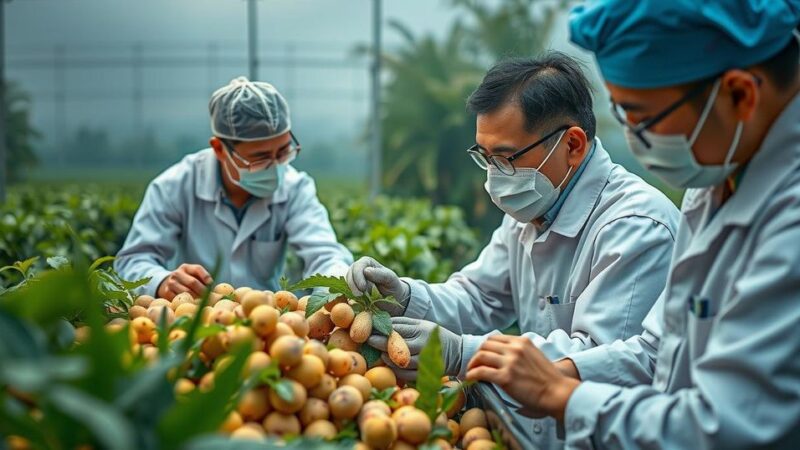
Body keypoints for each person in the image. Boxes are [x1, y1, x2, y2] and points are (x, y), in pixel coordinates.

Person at [466, 1, 800, 448]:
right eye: (623, 116)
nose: (634, 140)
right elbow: (656, 349)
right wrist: (554, 375)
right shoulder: (715, 181)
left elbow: (726, 425)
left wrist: (559, 393)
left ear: (740, 94)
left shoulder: (786, 224)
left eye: (645, 119)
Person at [346, 52, 680, 448]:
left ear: (572, 144)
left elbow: (598, 361)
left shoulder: (636, 227)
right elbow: (479, 296)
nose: (493, 178)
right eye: (484, 158)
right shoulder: (534, 206)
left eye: (505, 159)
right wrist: (404, 297)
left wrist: (465, 353)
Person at [115, 77, 352, 299]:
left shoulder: (295, 188)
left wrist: (345, 283)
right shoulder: (174, 186)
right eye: (259, 158)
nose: (275, 167)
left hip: (268, 323)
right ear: (219, 149)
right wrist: (162, 281)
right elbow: (133, 260)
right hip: (196, 319)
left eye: (282, 152)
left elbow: (324, 254)